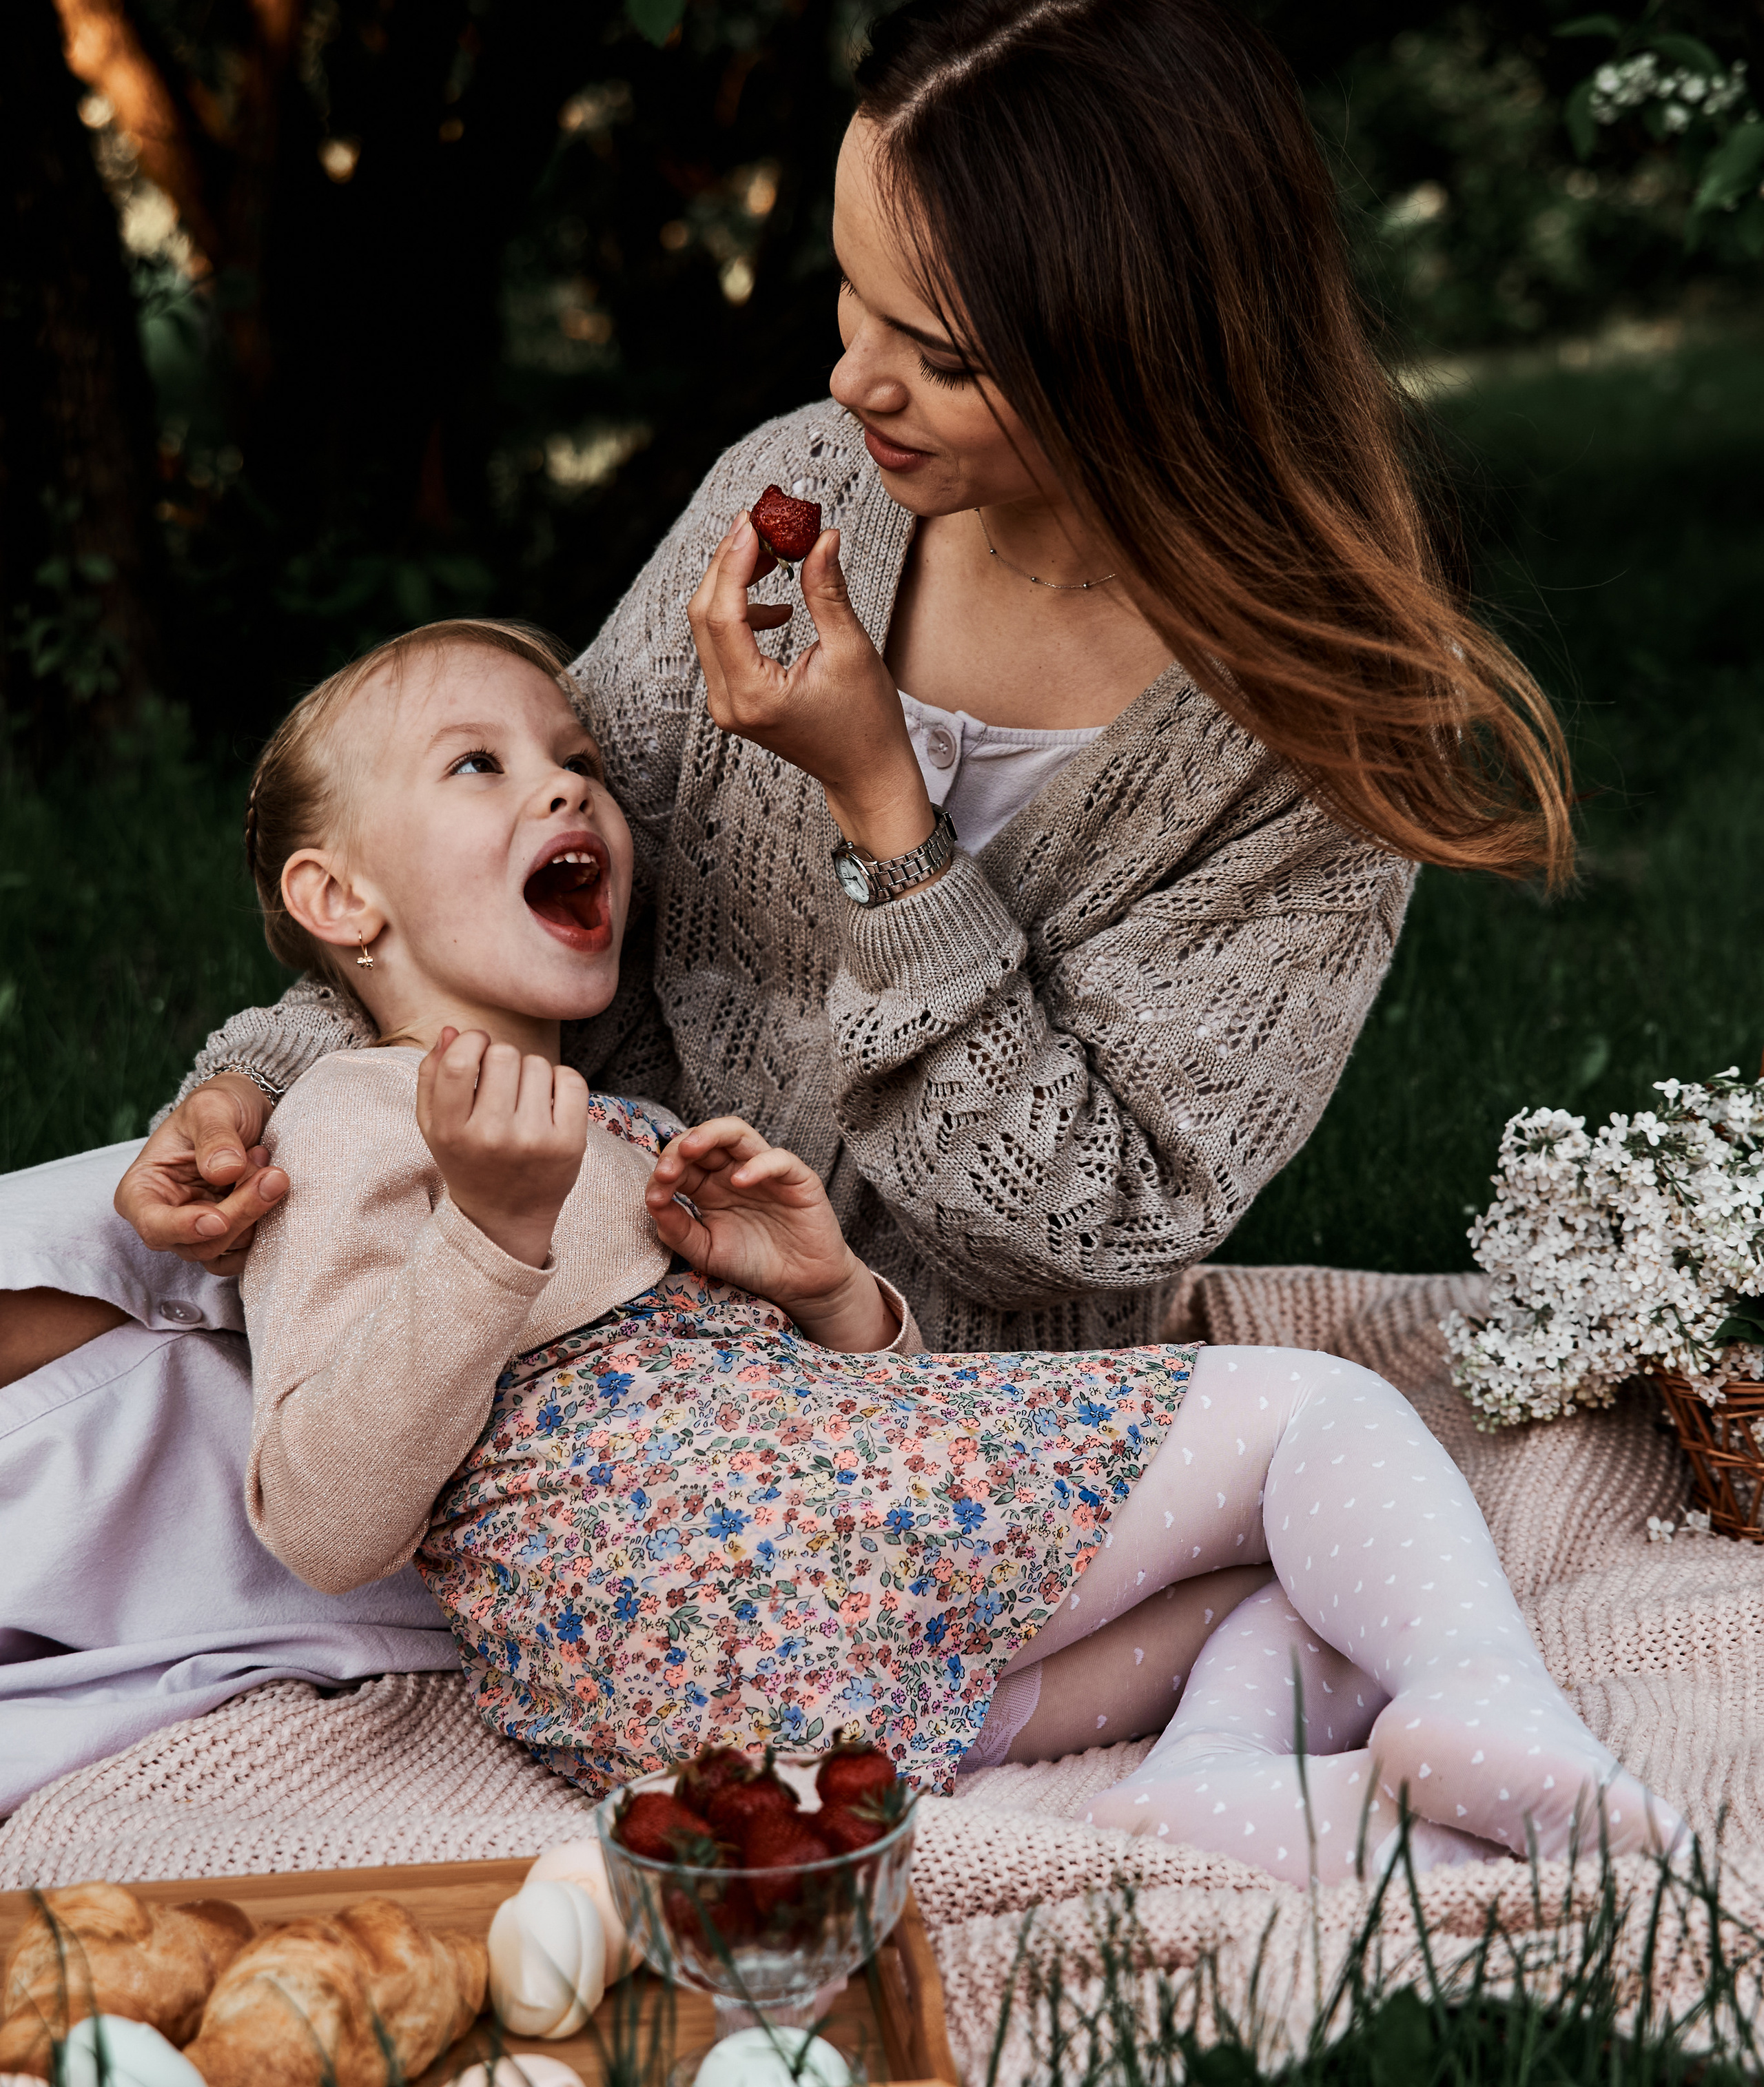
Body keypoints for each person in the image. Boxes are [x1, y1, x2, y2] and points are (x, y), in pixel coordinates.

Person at [221, 613, 1681, 1888]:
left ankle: (1212, 1780)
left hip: (744, 1693)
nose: (562, 783)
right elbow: (325, 1521)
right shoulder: (353, 1114)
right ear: (337, 900)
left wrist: (830, 1297)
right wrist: (485, 1231)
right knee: (1315, 1415)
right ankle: (1485, 1694)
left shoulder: (617, 1118)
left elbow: (814, 1420)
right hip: (706, 1586)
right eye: (477, 765)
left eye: (580, 763)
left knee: (1306, 1580)